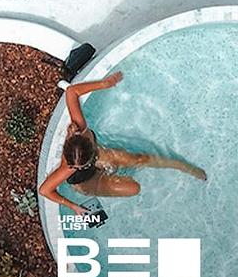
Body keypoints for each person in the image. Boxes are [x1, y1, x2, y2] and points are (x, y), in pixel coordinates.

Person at [39, 71, 206, 215]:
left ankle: (181, 166)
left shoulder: (80, 128)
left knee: (140, 159)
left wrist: (104, 84)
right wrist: (73, 206)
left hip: (98, 156)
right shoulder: (68, 168)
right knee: (133, 188)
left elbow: (71, 92)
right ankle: (107, 175)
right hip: (86, 181)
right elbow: (45, 190)